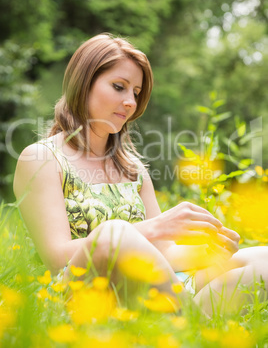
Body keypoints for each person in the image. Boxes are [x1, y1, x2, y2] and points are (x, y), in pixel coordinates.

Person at [13, 33, 268, 316]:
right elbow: (55, 256)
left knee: (261, 259)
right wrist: (158, 226)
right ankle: (191, 327)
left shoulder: (132, 168)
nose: (131, 102)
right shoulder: (41, 159)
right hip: (87, 295)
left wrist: (209, 250)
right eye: (119, 87)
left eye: (135, 92)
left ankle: (184, 327)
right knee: (112, 233)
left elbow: (165, 254)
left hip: (158, 287)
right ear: (83, 83)